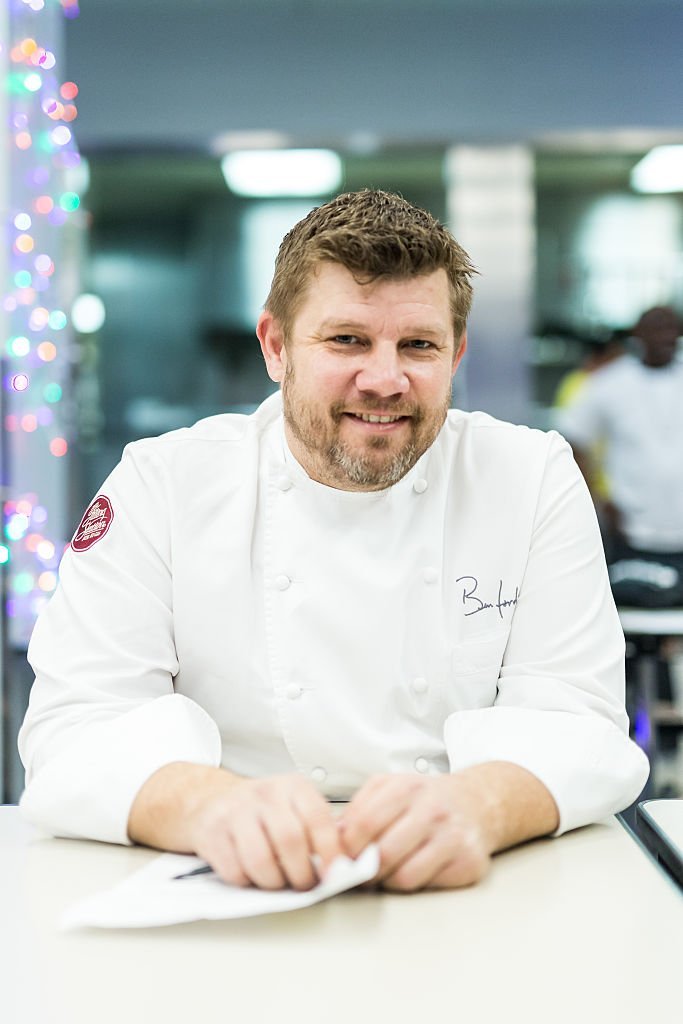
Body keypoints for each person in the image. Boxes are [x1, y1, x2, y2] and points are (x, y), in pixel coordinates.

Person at [19, 190, 648, 894]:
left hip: (466, 879)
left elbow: (577, 719)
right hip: (219, 880)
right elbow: (77, 724)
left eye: (418, 345)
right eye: (346, 339)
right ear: (276, 346)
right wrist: (208, 807)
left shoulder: (529, 476)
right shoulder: (163, 483)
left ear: (456, 353)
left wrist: (481, 806)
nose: (384, 379)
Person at [556, 306, 683, 604]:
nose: (665, 335)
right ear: (638, 333)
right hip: (632, 531)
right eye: (657, 328)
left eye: (671, 328)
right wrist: (596, 501)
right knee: (632, 613)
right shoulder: (609, 383)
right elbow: (572, 439)